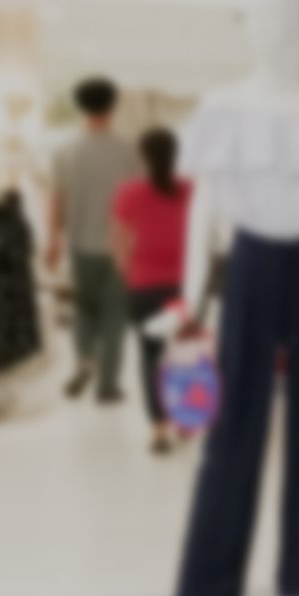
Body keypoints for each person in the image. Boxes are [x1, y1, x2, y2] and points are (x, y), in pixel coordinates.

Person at [47, 77, 138, 402]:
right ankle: (108, 386)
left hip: (79, 244)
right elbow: (138, 201)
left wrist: (53, 241)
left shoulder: (65, 150)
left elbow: (56, 199)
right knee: (115, 317)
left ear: (79, 106)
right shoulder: (128, 150)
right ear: (113, 105)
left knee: (84, 309)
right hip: (120, 247)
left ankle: (85, 361)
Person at [112, 128, 192, 453]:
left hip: (143, 286)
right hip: (183, 287)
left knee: (150, 356)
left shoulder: (128, 192)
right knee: (184, 353)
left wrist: (129, 277)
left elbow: (119, 243)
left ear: (143, 156)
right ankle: (185, 419)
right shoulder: (191, 190)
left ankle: (158, 430)